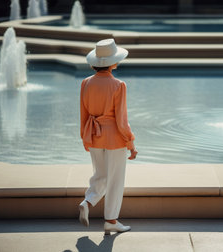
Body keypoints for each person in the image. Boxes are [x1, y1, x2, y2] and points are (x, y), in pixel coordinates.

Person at [78, 38, 138, 235]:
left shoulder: (85, 83)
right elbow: (121, 120)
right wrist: (130, 143)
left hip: (93, 136)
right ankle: (111, 220)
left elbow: (84, 115)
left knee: (100, 175)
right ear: (113, 62)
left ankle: (87, 202)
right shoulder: (118, 85)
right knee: (115, 180)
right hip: (114, 139)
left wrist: (85, 138)